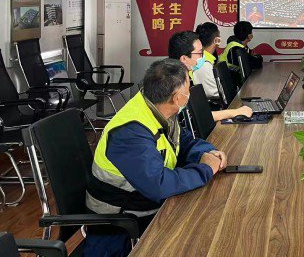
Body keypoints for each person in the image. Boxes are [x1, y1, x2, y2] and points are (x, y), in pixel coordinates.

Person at [85, 58, 227, 256]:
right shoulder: (130, 132)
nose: (190, 91)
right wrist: (206, 169)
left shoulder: (157, 107)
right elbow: (158, 185)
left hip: (147, 207)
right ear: (177, 97)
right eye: (189, 87)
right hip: (121, 227)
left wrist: (206, 152)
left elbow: (182, 141)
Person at [171, 29, 252, 122]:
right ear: (184, 59)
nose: (203, 56)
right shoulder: (175, 84)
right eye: (200, 53)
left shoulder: (183, 76)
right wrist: (234, 112)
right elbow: (197, 116)